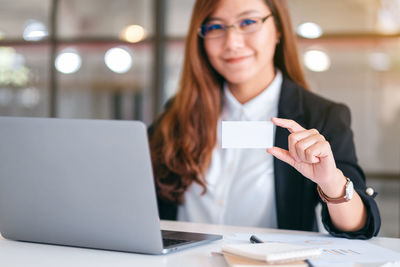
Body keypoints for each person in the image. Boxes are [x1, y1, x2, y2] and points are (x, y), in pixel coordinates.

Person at [149, 0, 380, 239]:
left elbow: (360, 226)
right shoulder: (176, 113)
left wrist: (330, 181)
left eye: (248, 22)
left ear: (278, 29)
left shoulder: (320, 116)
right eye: (216, 27)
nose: (232, 43)